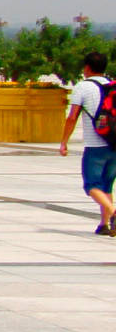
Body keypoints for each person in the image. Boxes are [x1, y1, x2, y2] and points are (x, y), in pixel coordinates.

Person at [59, 51, 115, 236]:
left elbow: (72, 117)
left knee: (91, 185)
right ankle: (104, 225)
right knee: (106, 185)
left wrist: (64, 142)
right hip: (114, 144)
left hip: (95, 145)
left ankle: (114, 213)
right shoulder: (112, 85)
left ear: (87, 68)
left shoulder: (83, 87)